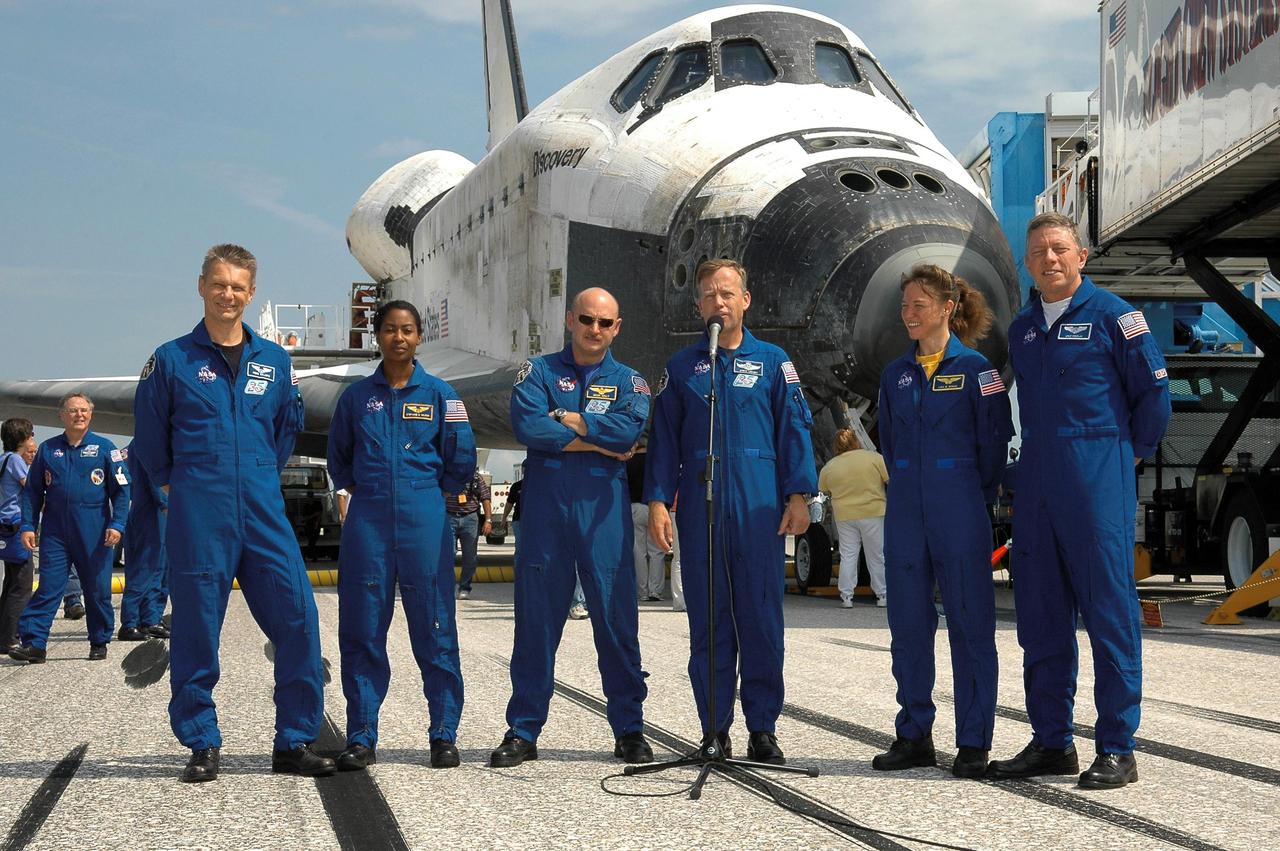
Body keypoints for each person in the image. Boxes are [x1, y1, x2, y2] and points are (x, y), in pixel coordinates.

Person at [133, 243, 334, 783]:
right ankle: (201, 742)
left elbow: (285, 429)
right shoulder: (170, 360)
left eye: (238, 287)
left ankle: (293, 741)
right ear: (201, 286)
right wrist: (182, 485)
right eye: (218, 284)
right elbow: (150, 442)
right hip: (201, 510)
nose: (228, 295)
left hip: (263, 507)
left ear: (251, 293)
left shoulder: (275, 360)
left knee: (298, 619)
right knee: (198, 627)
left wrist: (256, 476)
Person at [989, 213, 1171, 790]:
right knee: (1040, 620)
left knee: (1109, 618)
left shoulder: (1118, 318)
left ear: (1082, 255)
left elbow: (1155, 397)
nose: (1051, 260)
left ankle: (1117, 746)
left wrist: (1124, 456)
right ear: (1028, 263)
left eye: (1061, 249)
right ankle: (1051, 741)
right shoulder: (1022, 329)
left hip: (1097, 483)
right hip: (1038, 486)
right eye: (1039, 252)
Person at [645, 259, 817, 764]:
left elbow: (794, 428)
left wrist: (798, 494)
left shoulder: (773, 361)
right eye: (709, 295)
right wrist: (658, 500)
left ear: (745, 300)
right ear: (698, 305)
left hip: (759, 502)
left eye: (728, 293)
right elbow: (663, 442)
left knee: (762, 617)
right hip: (701, 504)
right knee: (709, 619)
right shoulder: (682, 368)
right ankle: (714, 727)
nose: (719, 302)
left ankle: (763, 728)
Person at [492, 287, 652, 768]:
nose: (595, 330)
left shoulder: (630, 381)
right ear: (570, 319)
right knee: (536, 623)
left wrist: (569, 421)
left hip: (603, 512)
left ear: (617, 327)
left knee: (616, 622)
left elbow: (629, 434)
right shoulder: (538, 372)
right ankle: (523, 730)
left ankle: (629, 729)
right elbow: (529, 428)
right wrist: (598, 441)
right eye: (586, 320)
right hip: (547, 509)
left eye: (605, 322)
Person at [871, 265, 1013, 779]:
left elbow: (994, 445)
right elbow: (889, 441)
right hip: (906, 509)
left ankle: (973, 742)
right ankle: (914, 734)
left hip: (961, 508)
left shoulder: (979, 371)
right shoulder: (895, 375)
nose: (908, 314)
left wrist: (967, 494)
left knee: (971, 626)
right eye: (904, 306)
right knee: (907, 626)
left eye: (919, 305)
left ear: (947, 308)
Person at [327, 300, 478, 772]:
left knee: (434, 626)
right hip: (368, 517)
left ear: (418, 337)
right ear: (378, 336)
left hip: (423, 515)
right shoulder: (355, 398)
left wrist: (434, 495)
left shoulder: (441, 395)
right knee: (363, 628)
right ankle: (362, 735)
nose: (399, 338)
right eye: (390, 329)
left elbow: (462, 458)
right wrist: (368, 490)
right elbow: (339, 459)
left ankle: (443, 734)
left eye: (407, 330)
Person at [10, 394, 129, 664]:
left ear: (91, 414)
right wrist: (28, 526)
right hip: (55, 532)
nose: (79, 415)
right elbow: (32, 492)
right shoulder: (48, 450)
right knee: (49, 587)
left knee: (97, 589)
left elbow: (121, 491)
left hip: (94, 531)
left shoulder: (105, 449)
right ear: (62, 415)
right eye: (73, 410)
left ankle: (99, 640)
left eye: (84, 410)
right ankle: (35, 644)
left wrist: (118, 523)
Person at [818, 429, 889, 608]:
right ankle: (882, 595)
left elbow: (824, 489)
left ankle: (847, 597)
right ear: (856, 441)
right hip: (873, 512)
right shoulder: (874, 458)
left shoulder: (830, 466)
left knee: (848, 555)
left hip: (845, 516)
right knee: (876, 555)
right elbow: (889, 479)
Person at [117, 442, 170, 641]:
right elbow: (156, 478)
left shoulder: (140, 445)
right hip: (151, 513)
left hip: (156, 513)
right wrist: (165, 504)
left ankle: (151, 619)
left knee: (160, 568)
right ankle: (130, 622)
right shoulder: (149, 443)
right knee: (145, 567)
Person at [1, 419, 37, 652]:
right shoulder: (15, 460)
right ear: (23, 438)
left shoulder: (3, 459)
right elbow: (30, 486)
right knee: (22, 585)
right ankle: (10, 637)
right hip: (15, 526)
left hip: (4, 526)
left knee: (10, 582)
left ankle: (3, 634)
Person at [627, 444, 665, 601]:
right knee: (656, 551)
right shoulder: (655, 462)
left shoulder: (629, 461)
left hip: (633, 506)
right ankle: (655, 590)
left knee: (638, 551)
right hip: (652, 505)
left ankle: (642, 591)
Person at [444, 470, 490, 599]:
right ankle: (447, 586)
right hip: (449, 517)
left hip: (470, 518)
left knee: (470, 557)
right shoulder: (446, 475)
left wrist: (488, 520)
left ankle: (464, 588)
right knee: (448, 554)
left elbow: (485, 498)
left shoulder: (476, 478)